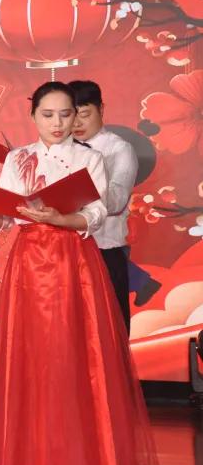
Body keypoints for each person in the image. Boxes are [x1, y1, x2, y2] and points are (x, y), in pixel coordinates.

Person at [0, 81, 158, 465]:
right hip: (29, 263)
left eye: (65, 114)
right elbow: (6, 217)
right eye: (47, 115)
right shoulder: (18, 158)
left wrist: (61, 220)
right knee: (32, 358)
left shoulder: (90, 158)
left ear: (77, 116)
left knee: (77, 355)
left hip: (74, 261)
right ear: (33, 116)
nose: (57, 123)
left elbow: (97, 212)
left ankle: (83, 463)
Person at [69, 80, 138, 332]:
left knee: (110, 328)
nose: (76, 123)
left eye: (84, 114)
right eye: (70, 116)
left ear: (101, 109)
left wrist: (80, 183)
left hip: (105, 251)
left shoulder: (119, 149)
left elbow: (117, 202)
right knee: (72, 328)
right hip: (67, 251)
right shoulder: (60, 150)